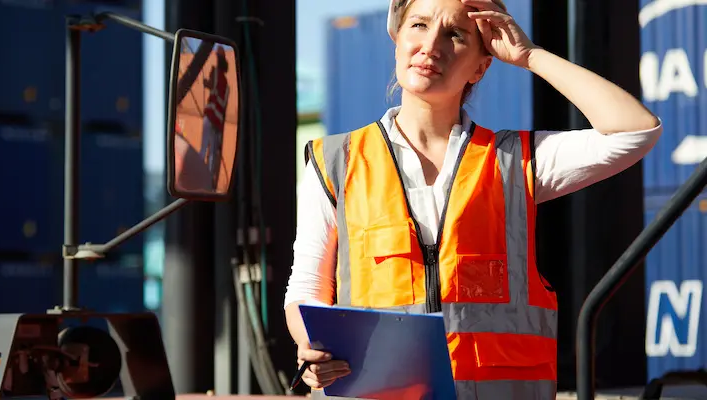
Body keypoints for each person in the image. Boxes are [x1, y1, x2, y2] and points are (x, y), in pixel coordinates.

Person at [283, 0, 662, 399]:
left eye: (455, 35)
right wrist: (311, 349)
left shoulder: (515, 161)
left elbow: (635, 131)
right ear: (396, 41)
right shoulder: (334, 162)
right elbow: (307, 286)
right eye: (419, 25)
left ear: (481, 66)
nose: (431, 45)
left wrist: (531, 56)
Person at [201, 45, 231, 189]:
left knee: (203, 149)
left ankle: (201, 178)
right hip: (218, 122)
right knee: (212, 153)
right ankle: (208, 182)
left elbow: (209, 84)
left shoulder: (215, 73)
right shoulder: (227, 85)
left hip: (210, 117)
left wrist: (205, 82)